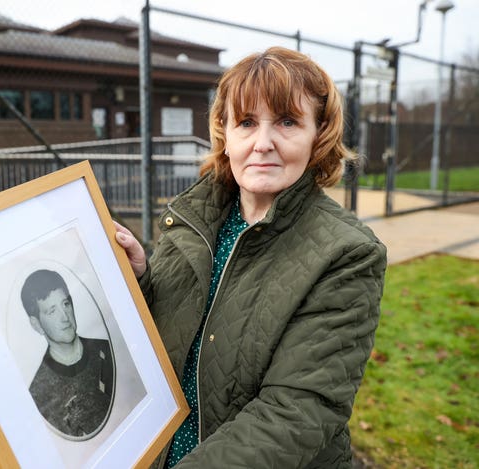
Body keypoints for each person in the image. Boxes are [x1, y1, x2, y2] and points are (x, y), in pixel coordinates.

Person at [115, 46, 387, 468]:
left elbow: (298, 411)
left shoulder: (347, 254)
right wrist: (140, 281)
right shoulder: (193, 219)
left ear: (319, 134)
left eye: (287, 122)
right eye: (246, 122)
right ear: (225, 135)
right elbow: (176, 337)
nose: (262, 143)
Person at [21, 269, 114, 439]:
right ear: (37, 325)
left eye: (65, 304)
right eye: (52, 311)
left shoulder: (108, 350)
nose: (65, 316)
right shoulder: (38, 394)